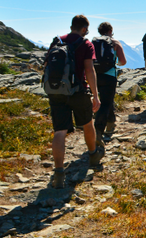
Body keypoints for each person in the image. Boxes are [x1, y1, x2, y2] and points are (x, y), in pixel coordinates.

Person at [47, 15, 104, 189]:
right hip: (78, 91)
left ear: (71, 26)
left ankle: (58, 173)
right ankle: (93, 155)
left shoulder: (56, 41)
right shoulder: (85, 44)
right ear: (84, 29)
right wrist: (95, 94)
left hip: (56, 92)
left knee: (60, 131)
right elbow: (89, 69)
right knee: (87, 124)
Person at [93, 22, 127, 147]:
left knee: (104, 99)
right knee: (106, 102)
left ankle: (111, 124)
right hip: (110, 76)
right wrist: (115, 63)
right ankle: (98, 130)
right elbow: (123, 61)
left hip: (95, 76)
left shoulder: (93, 42)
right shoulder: (115, 43)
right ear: (111, 30)